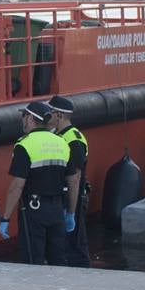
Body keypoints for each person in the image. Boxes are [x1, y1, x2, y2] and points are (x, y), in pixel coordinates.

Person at [0, 100, 76, 266]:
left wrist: (5, 217)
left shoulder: (24, 144)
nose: (22, 120)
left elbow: (17, 185)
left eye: (24, 116)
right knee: (58, 259)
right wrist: (71, 212)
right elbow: (73, 181)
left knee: (33, 261)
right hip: (57, 209)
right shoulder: (62, 142)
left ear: (31, 118)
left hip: (34, 210)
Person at [49, 95, 90, 268]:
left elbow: (75, 178)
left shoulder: (73, 140)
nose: (47, 116)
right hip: (61, 198)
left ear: (58, 115)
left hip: (71, 199)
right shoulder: (58, 136)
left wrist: (71, 212)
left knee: (75, 244)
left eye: (50, 112)